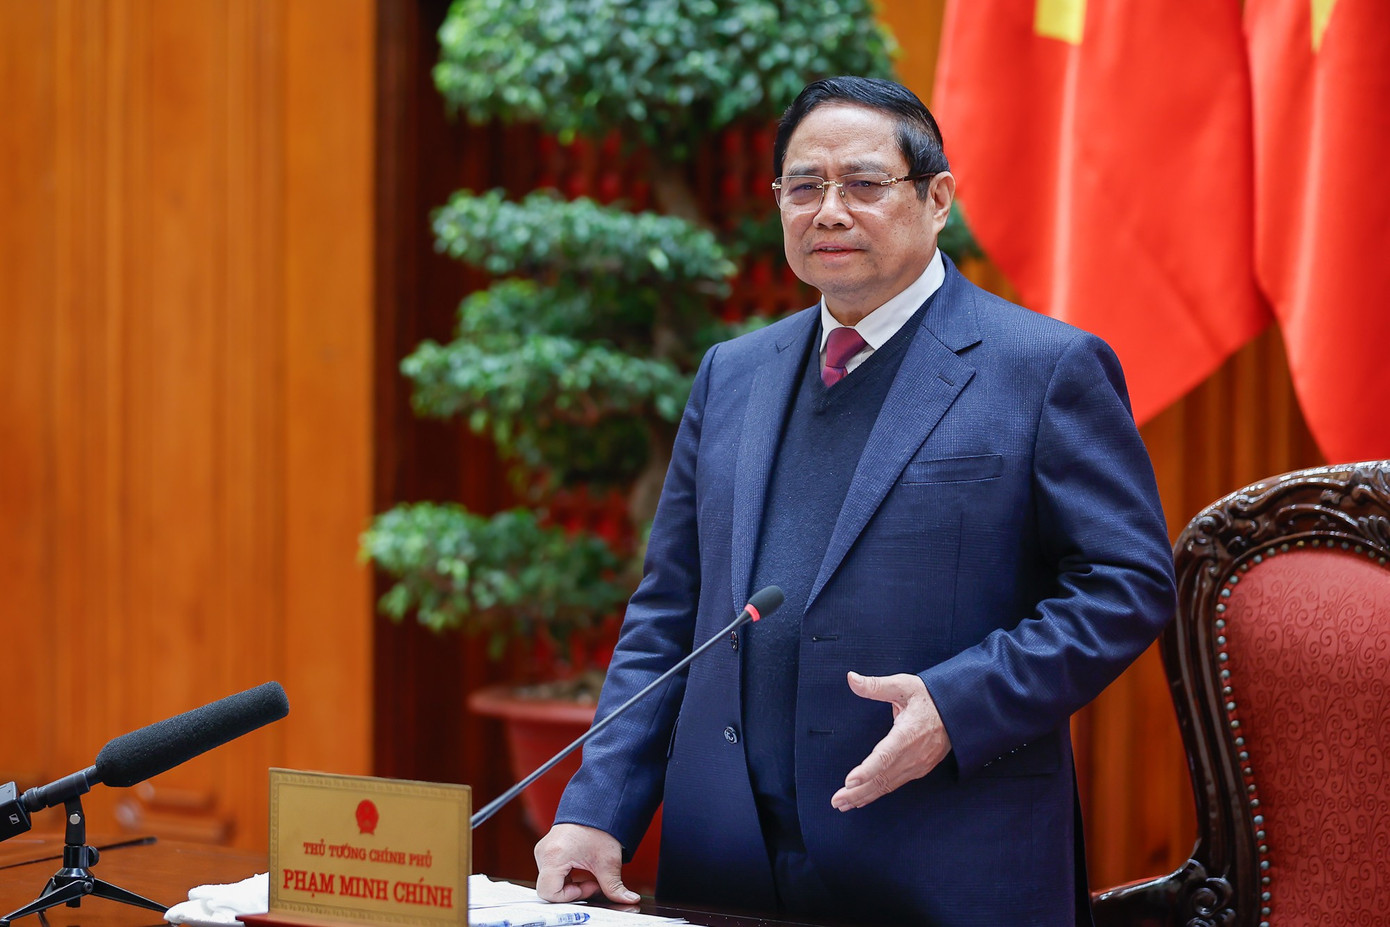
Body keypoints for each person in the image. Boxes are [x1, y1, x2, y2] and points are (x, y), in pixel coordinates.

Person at [534, 76, 1177, 926]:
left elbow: (1127, 583)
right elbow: (669, 611)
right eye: (804, 186)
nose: (829, 211)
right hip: (728, 863)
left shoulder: (1044, 367)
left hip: (944, 855)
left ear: (936, 199)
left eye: (864, 184)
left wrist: (957, 704)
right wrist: (597, 807)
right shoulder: (732, 374)